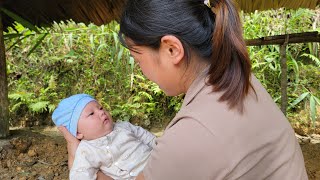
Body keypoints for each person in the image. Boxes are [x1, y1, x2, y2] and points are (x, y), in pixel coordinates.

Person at [59, 0, 308, 179]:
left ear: (172, 50)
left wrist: (77, 154)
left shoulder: (190, 136)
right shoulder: (240, 78)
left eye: (138, 59)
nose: (141, 71)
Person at [52, 94, 155, 180]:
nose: (101, 112)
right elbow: (80, 173)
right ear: (78, 133)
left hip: (156, 162)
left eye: (100, 108)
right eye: (91, 113)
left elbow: (148, 138)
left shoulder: (123, 126)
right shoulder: (86, 150)